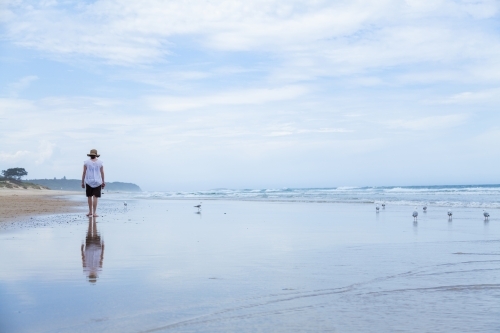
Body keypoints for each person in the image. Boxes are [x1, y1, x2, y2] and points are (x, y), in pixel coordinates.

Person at [81, 149, 105, 217]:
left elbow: (84, 172)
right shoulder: (100, 163)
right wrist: (103, 181)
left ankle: (90, 212)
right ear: (96, 155)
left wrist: (82, 182)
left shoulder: (86, 162)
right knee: (95, 197)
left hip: (89, 181)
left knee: (89, 196)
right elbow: (102, 172)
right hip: (97, 181)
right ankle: (94, 212)